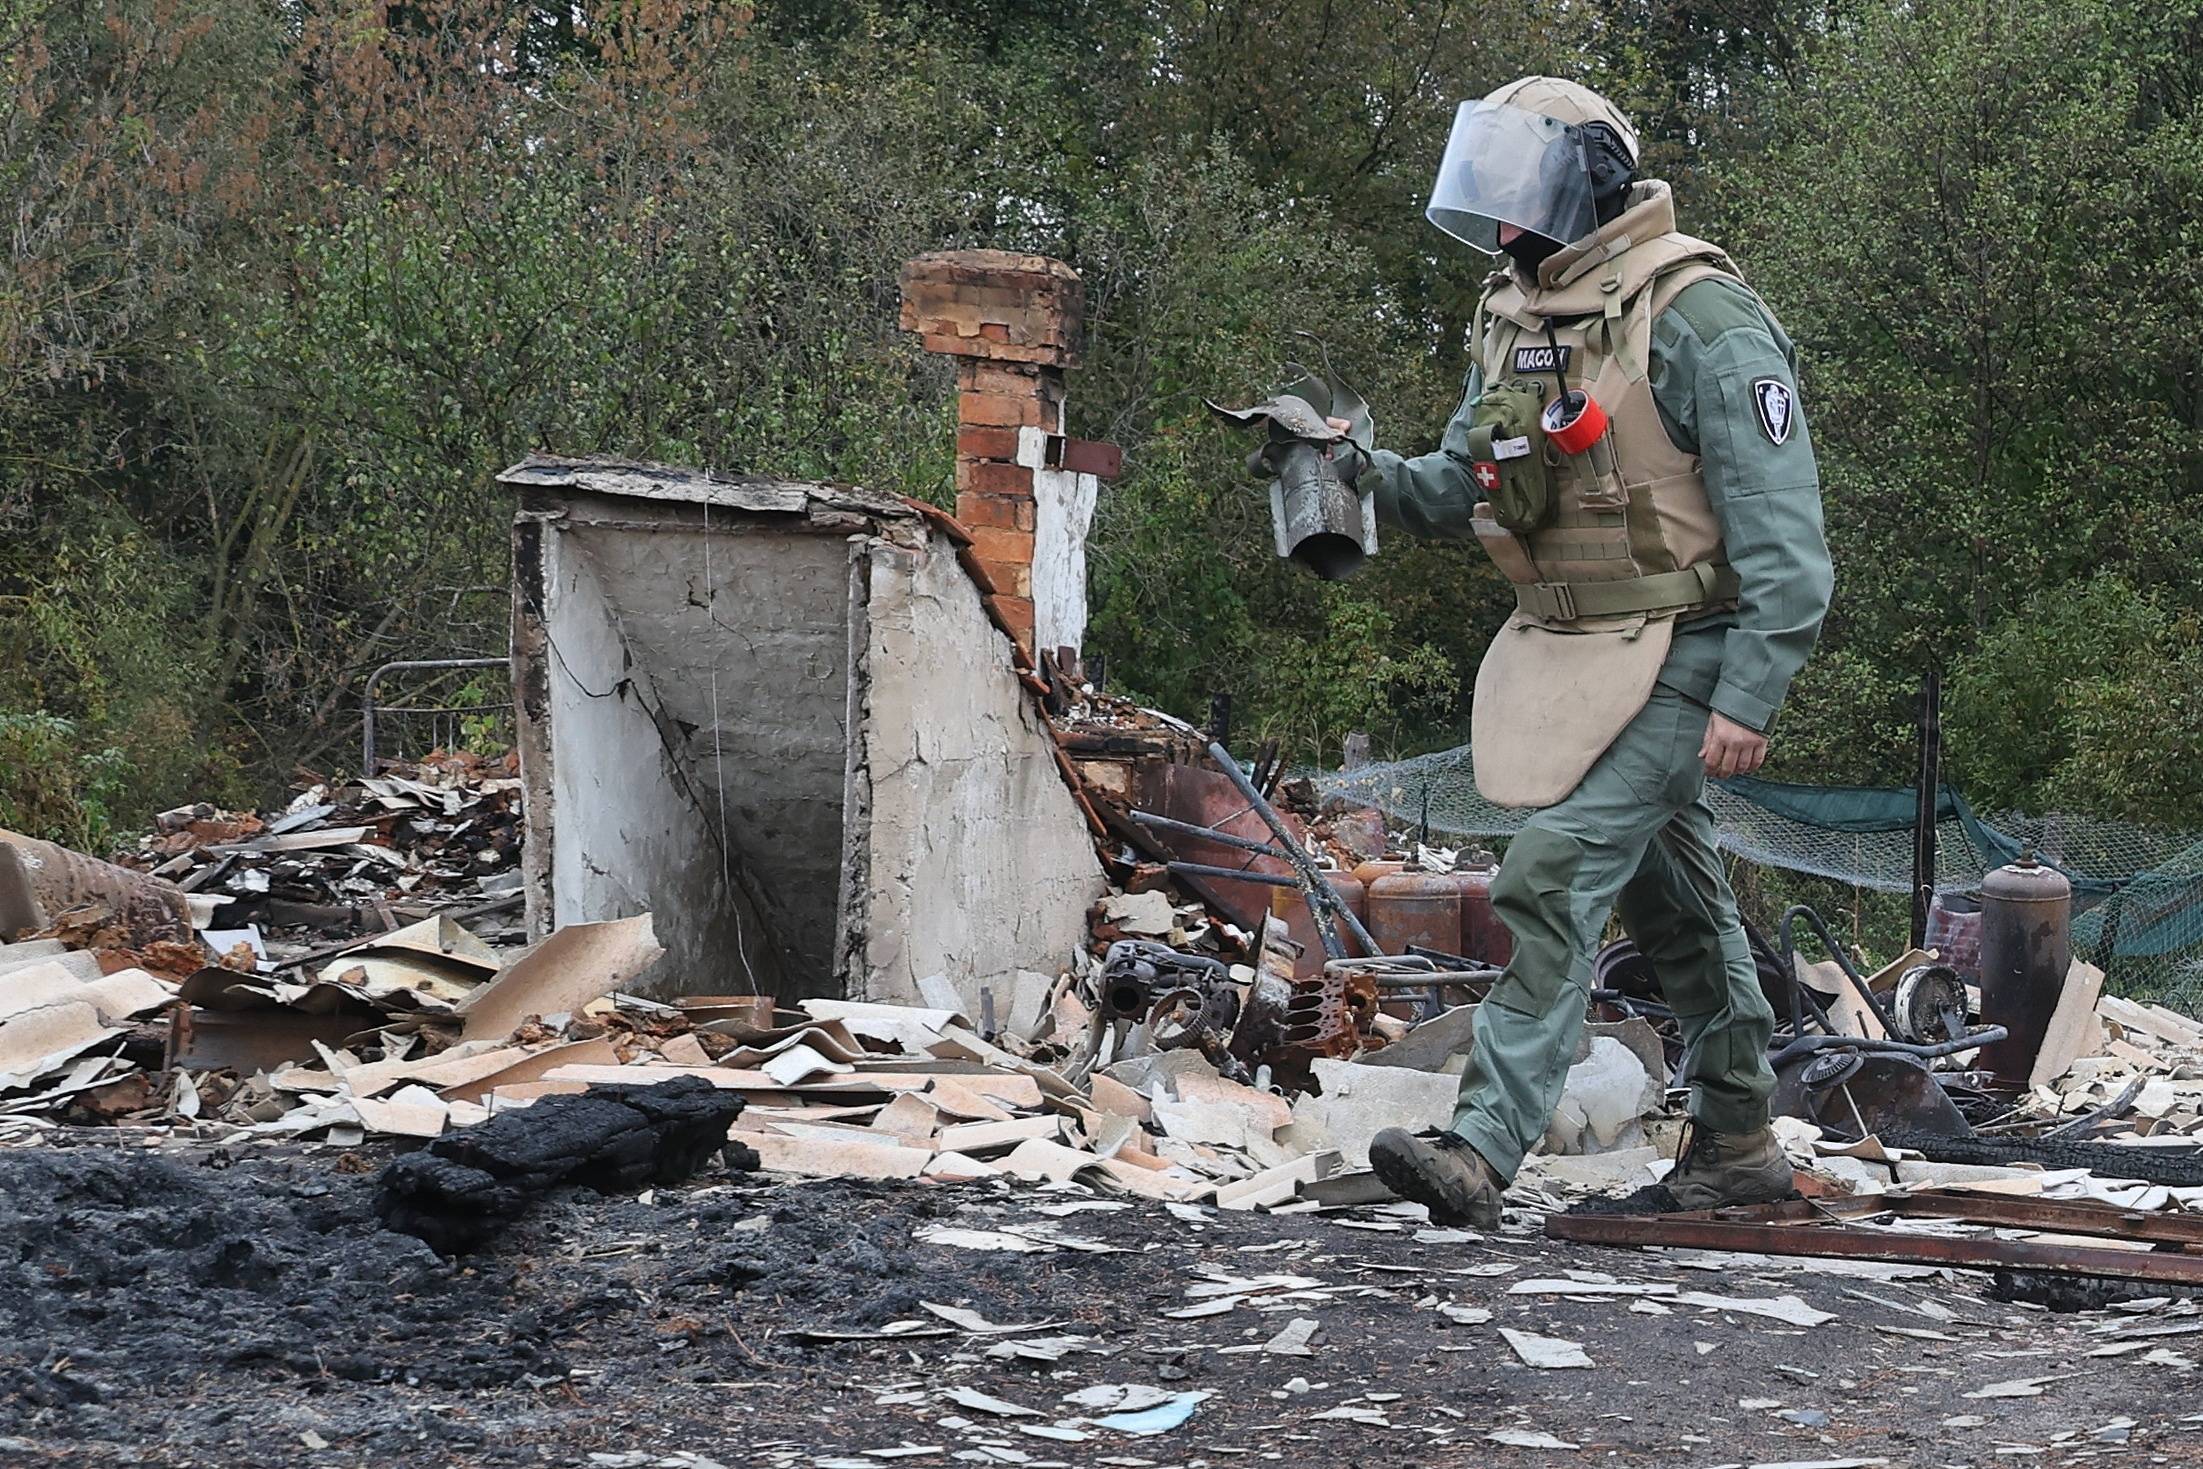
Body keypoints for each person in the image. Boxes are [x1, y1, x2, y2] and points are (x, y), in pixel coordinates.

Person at [1340, 76, 1833, 1226]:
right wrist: (1348, 471)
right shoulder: (1513, 322)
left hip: (1688, 644)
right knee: (1679, 907)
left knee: (1553, 866)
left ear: (1586, 187)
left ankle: (1479, 1143)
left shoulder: (1702, 316)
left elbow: (1788, 541)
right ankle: (1740, 1141)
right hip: (1569, 646)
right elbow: (1463, 484)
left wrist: (1749, 692)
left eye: (1525, 194)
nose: (1506, 227)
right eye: (1491, 195)